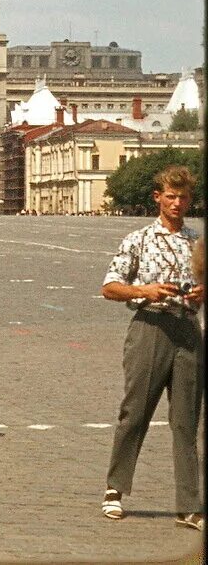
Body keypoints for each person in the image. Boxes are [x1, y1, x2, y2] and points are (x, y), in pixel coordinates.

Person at [98, 165, 202, 531]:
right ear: (158, 198)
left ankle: (189, 505)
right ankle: (115, 489)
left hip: (188, 330)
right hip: (150, 328)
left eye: (183, 197)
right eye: (170, 196)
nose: (177, 203)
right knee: (136, 411)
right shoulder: (138, 239)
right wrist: (146, 291)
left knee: (187, 420)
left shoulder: (196, 242)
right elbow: (110, 287)